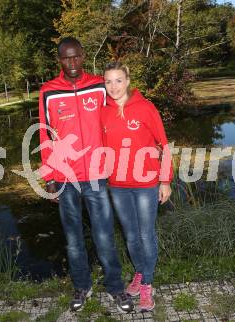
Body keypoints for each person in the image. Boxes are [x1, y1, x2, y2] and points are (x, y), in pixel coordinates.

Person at [38, 38, 133, 313]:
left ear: (83, 55)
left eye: (76, 57)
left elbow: (120, 115)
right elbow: (45, 135)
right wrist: (49, 177)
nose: (72, 64)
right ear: (59, 61)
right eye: (66, 59)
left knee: (104, 235)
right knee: (73, 239)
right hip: (65, 178)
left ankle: (115, 287)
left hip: (96, 176)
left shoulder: (98, 86)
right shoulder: (48, 92)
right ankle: (82, 285)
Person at [101, 62, 173, 312]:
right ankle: (141, 273)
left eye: (118, 80)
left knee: (146, 234)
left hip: (146, 184)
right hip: (118, 186)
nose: (113, 86)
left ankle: (147, 285)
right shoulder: (103, 112)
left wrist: (165, 180)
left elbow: (164, 144)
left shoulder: (145, 108)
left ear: (128, 80)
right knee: (131, 236)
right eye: (108, 81)